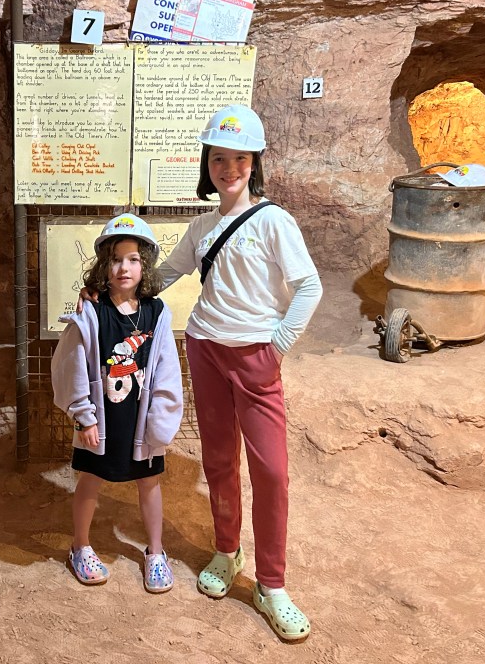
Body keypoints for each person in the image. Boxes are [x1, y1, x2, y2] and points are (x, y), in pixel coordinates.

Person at [79, 105, 322, 641]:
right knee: (218, 460)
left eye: (239, 158)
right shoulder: (201, 227)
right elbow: (162, 275)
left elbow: (309, 286)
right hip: (206, 348)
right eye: (218, 158)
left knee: (272, 471)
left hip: (257, 355)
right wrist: (101, 291)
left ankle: (272, 584)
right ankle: (227, 551)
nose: (228, 168)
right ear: (206, 164)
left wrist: (278, 346)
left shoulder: (274, 221)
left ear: (254, 162)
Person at [51, 213, 184, 593]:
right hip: (101, 422)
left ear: (145, 265)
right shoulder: (92, 312)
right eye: (115, 259)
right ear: (103, 265)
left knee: (149, 482)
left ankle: (155, 551)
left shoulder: (157, 312)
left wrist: (162, 420)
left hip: (141, 422)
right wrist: (84, 416)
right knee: (90, 480)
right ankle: (80, 546)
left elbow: (167, 368)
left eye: (133, 259)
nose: (124, 268)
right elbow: (71, 366)